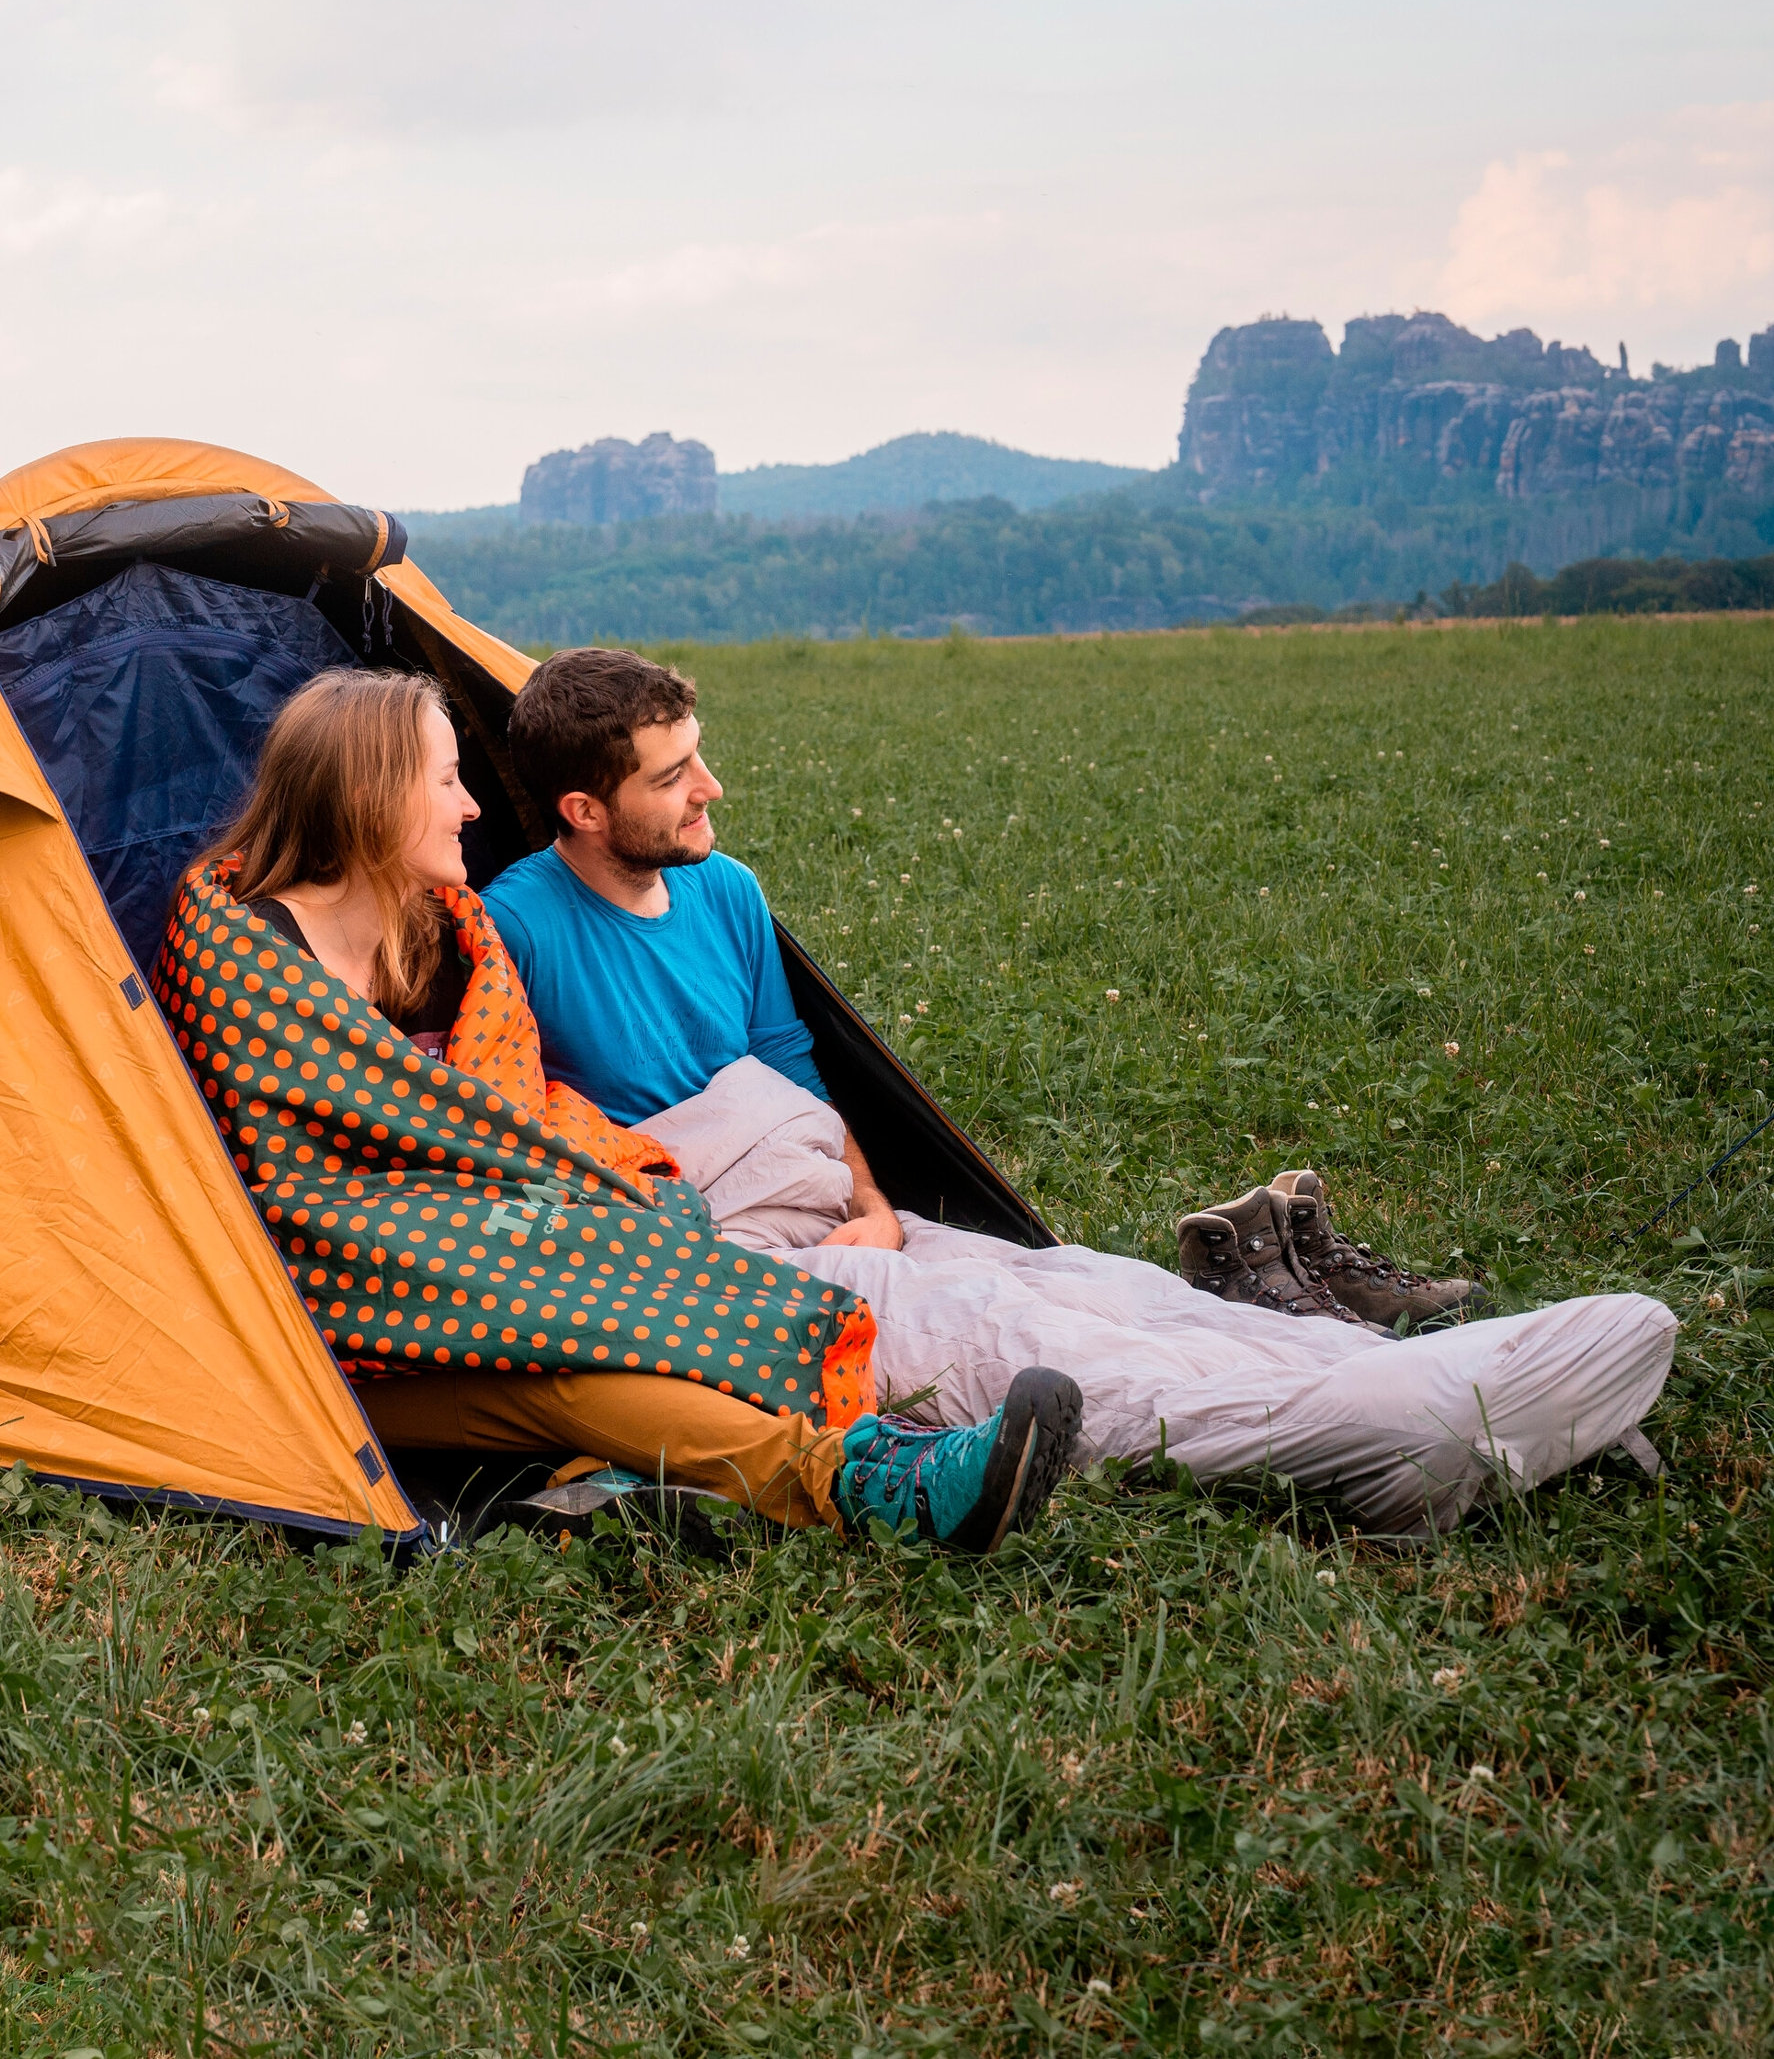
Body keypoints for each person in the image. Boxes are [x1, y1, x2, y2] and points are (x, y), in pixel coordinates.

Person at [486, 648, 1678, 1536]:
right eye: (673, 773)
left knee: (1096, 1286)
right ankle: (1385, 1437)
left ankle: (1389, 1394)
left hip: (833, 1205)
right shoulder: (516, 928)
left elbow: (794, 1076)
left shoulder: (726, 891)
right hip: (725, 1249)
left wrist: (875, 1205)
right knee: (1017, 1343)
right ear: (586, 811)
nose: (711, 787)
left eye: (698, 752)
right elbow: (522, 1140)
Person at [152, 666, 1082, 1552]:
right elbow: (299, 1193)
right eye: (447, 781)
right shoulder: (242, 962)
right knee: (564, 1355)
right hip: (330, 1328)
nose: (473, 807)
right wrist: (489, 1234)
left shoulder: (433, 939)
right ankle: (863, 1484)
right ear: (371, 796)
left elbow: (499, 1110)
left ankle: (630, 1477)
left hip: (468, 1256)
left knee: (589, 1285)